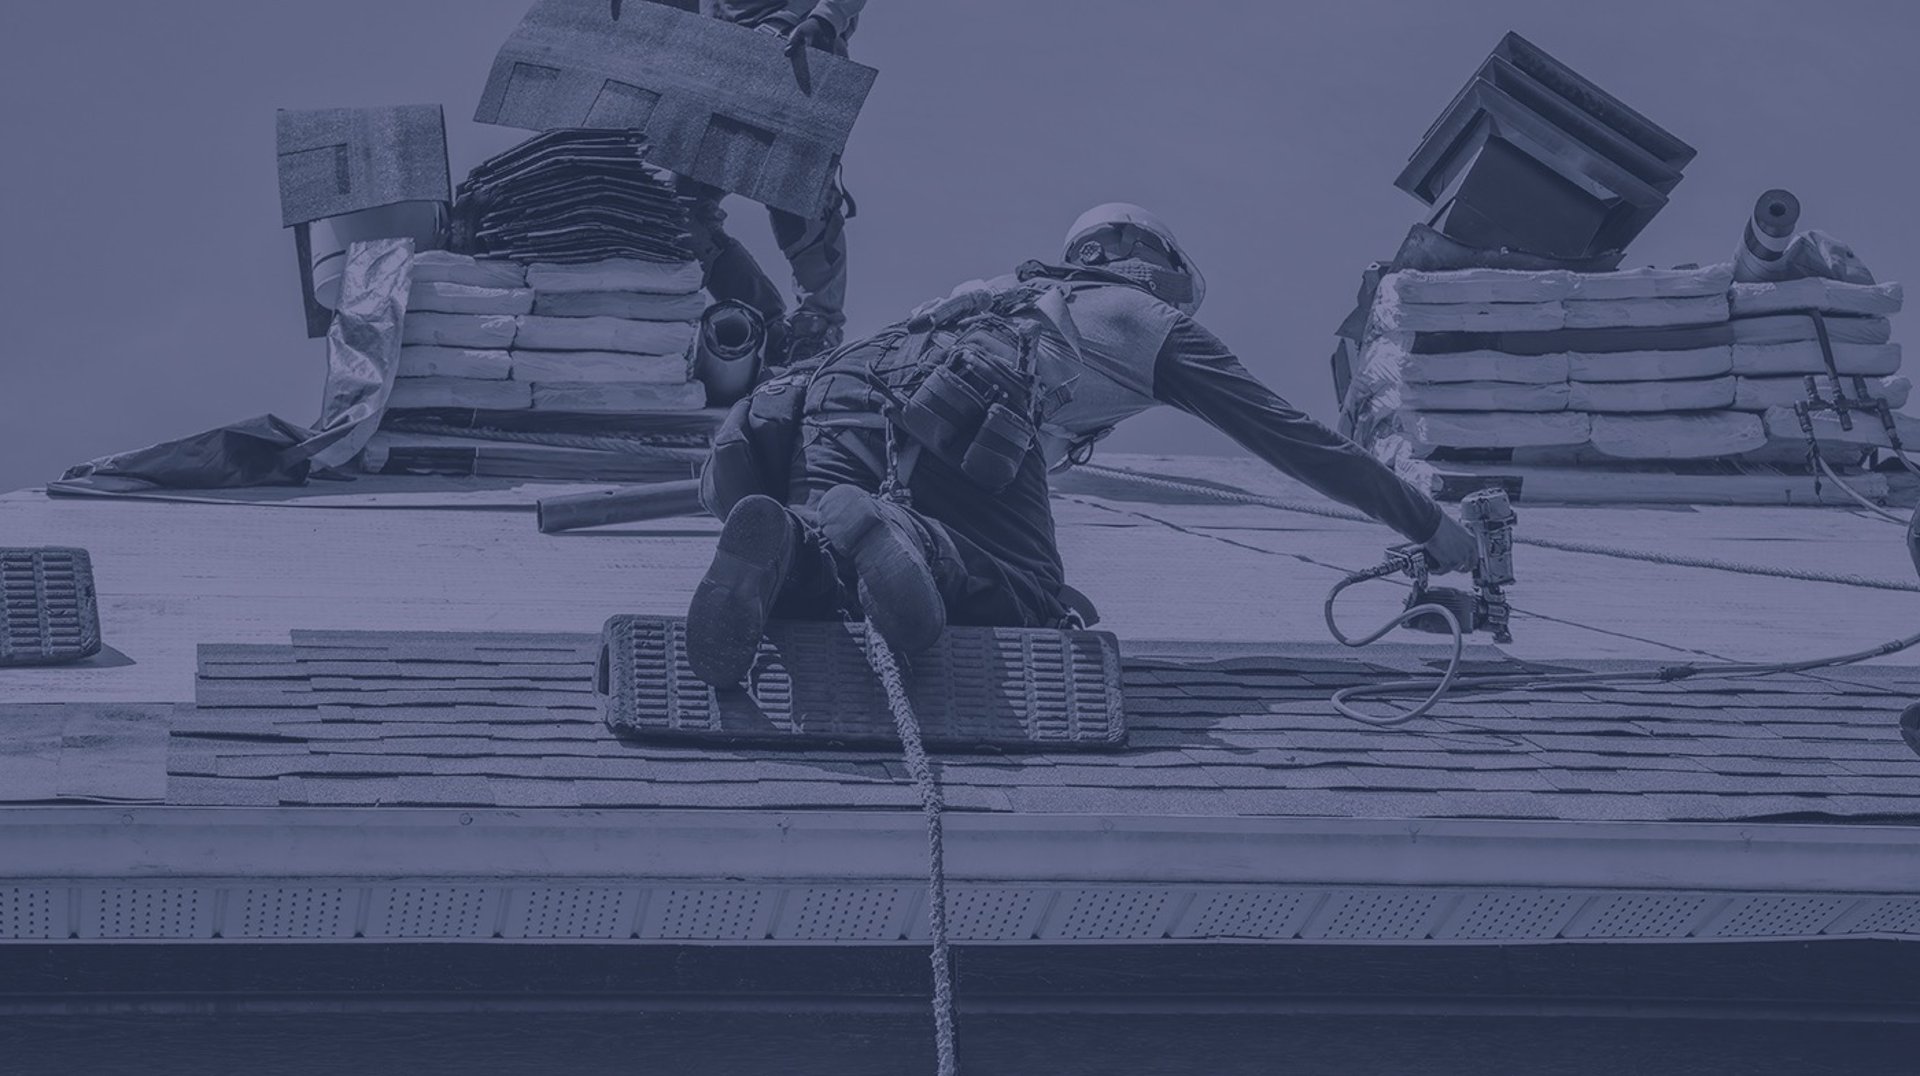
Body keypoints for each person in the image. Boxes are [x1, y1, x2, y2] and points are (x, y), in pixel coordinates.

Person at [683, 202, 1475, 685]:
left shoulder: (992, 294)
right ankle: (904, 534)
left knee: (823, 556)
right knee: (1030, 588)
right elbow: (1293, 438)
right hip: (956, 424)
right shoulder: (1143, 319)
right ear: (1152, 265)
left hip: (830, 410)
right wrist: (1430, 525)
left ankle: (785, 541)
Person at [678, 0, 867, 365]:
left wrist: (826, 19)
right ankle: (767, 329)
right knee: (685, 216)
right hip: (718, 51)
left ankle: (815, 332)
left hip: (796, 46)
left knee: (799, 198)